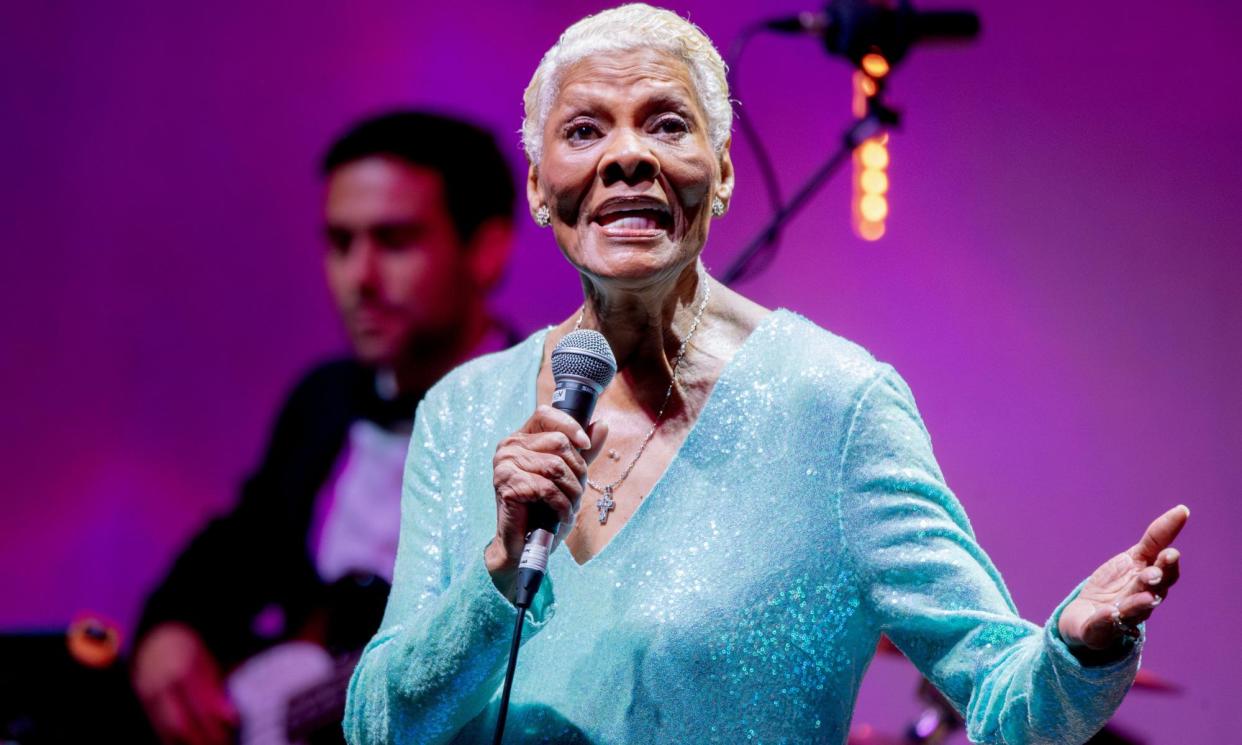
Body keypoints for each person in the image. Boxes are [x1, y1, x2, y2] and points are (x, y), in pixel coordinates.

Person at [342, 6, 1188, 744]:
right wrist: (497, 571)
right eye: (586, 129)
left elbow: (1011, 704)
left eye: (666, 125)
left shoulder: (835, 404)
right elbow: (378, 725)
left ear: (724, 174)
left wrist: (1080, 647)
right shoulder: (461, 410)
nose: (627, 156)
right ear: (537, 186)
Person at [131, 110, 519, 745]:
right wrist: (172, 628)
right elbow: (243, 538)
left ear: (487, 250)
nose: (358, 279)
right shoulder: (325, 399)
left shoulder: (547, 414)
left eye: (394, 241)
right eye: (340, 244)